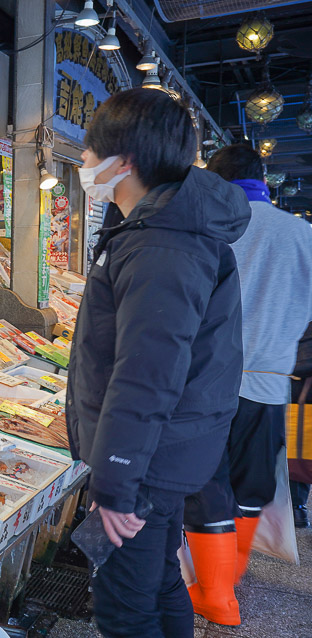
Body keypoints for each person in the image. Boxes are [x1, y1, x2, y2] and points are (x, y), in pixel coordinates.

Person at [66, 88, 250, 638]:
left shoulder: (162, 245)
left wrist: (116, 484)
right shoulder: (164, 230)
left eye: (89, 152)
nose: (82, 163)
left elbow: (146, 375)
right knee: (159, 581)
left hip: (145, 465)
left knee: (125, 608)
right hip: (166, 456)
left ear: (125, 162)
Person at [180, 144, 312, 625]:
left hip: (207, 384)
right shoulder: (303, 234)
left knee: (205, 484)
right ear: (262, 180)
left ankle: (216, 595)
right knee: (250, 488)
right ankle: (228, 581)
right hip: (272, 385)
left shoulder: (210, 227)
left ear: (215, 182)